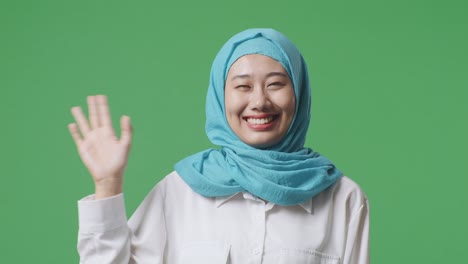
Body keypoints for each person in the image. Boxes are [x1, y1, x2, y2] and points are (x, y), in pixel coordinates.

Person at [69, 28, 369, 264]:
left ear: (299, 94)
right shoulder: (179, 192)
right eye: (242, 86)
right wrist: (107, 184)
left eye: (276, 84)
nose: (259, 101)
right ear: (220, 96)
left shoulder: (344, 199)